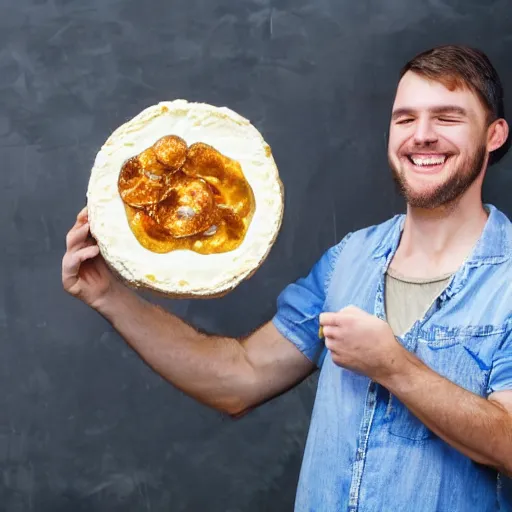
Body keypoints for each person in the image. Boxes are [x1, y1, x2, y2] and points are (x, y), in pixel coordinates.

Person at [62, 44, 512, 511]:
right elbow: (241, 378)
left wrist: (393, 366)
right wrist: (108, 295)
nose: (421, 136)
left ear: (494, 134)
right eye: (405, 118)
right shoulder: (349, 260)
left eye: (447, 118)